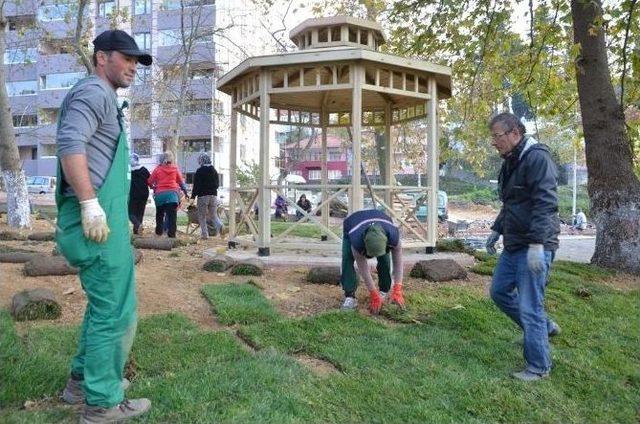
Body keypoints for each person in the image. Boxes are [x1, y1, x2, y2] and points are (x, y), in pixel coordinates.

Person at [55, 30, 152, 422]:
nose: (133, 67)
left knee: (103, 308)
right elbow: (69, 144)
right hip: (94, 225)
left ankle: (80, 382)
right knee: (115, 313)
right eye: (126, 58)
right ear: (101, 58)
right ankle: (101, 403)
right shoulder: (94, 93)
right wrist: (91, 204)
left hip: (104, 223)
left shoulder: (107, 100)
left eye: (136, 61)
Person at [485, 112, 561, 382]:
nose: (494, 142)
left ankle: (539, 367)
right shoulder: (510, 162)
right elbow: (512, 203)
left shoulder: (537, 158)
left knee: (530, 307)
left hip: (535, 244)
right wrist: (496, 230)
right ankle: (543, 328)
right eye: (492, 137)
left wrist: (538, 245)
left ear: (514, 133)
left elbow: (545, 204)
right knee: (499, 292)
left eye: (497, 136)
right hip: (515, 242)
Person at [340, 209, 405, 314]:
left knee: (384, 259)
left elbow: (398, 263)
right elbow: (364, 270)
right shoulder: (356, 241)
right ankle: (350, 296)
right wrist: (373, 294)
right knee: (347, 258)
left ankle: (384, 291)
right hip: (353, 223)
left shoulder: (394, 237)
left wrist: (398, 288)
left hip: (381, 221)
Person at [147, 151, 188, 238]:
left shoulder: (157, 169)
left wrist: (153, 187)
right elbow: (181, 182)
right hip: (172, 195)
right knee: (172, 216)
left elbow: (149, 181)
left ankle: (158, 233)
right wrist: (185, 192)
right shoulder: (175, 169)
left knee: (160, 214)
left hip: (160, 195)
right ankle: (172, 236)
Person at [190, 153, 219, 239]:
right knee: (213, 215)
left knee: (202, 216)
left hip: (203, 196)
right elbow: (217, 184)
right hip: (214, 195)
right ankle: (220, 226)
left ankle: (204, 235)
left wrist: (193, 197)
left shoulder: (200, 171)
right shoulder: (214, 170)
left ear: (201, 160)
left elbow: (196, 185)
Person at [128, 153, 150, 235]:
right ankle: (136, 232)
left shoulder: (129, 171)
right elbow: (149, 180)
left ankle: (137, 224)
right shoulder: (144, 169)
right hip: (144, 193)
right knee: (140, 213)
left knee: (130, 213)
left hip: (134, 194)